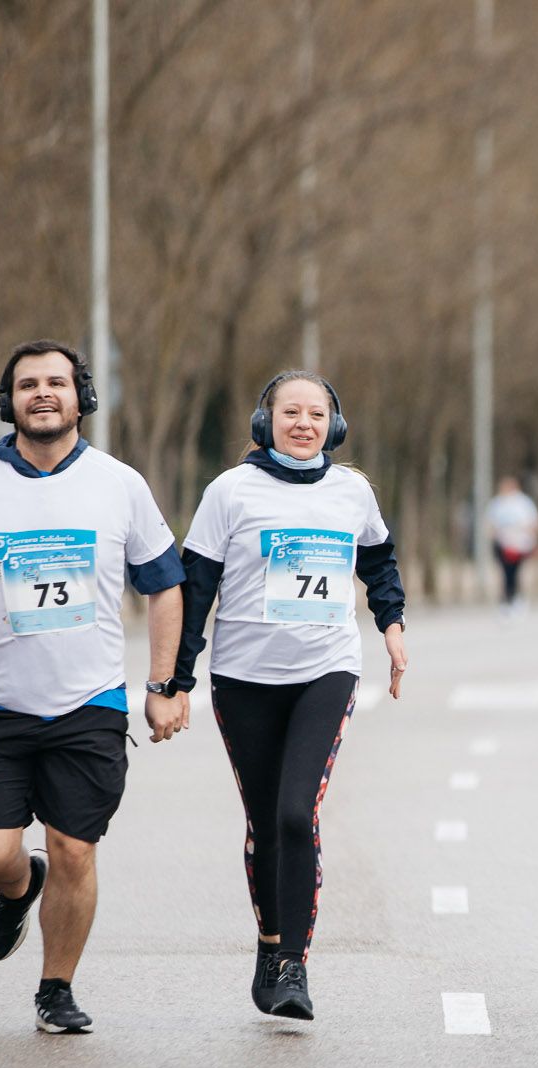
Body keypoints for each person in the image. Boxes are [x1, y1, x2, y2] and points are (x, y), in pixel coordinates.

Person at [0, 339, 189, 1034]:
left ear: (81, 396)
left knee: (75, 848)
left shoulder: (119, 484)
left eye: (56, 382)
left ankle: (56, 988)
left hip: (87, 704)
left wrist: (162, 683)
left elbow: (164, 584)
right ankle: (18, 886)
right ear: (10, 402)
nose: (42, 393)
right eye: (28, 384)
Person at [173, 370, 409, 1021]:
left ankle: (293, 965)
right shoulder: (229, 492)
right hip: (243, 677)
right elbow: (196, 589)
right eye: (290, 412)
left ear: (333, 425)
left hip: (325, 672)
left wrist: (392, 626)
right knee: (263, 819)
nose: (303, 423)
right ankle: (270, 942)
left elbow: (380, 559)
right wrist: (176, 680)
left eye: (316, 413)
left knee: (295, 814)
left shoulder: (352, 491)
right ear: (265, 420)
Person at [485, 476, 538, 614]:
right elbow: (489, 524)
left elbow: (534, 523)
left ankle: (519, 599)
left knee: (518, 573)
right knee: (504, 573)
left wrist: (525, 536)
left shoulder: (523, 502)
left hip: (521, 545)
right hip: (503, 545)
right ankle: (506, 600)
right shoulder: (497, 503)